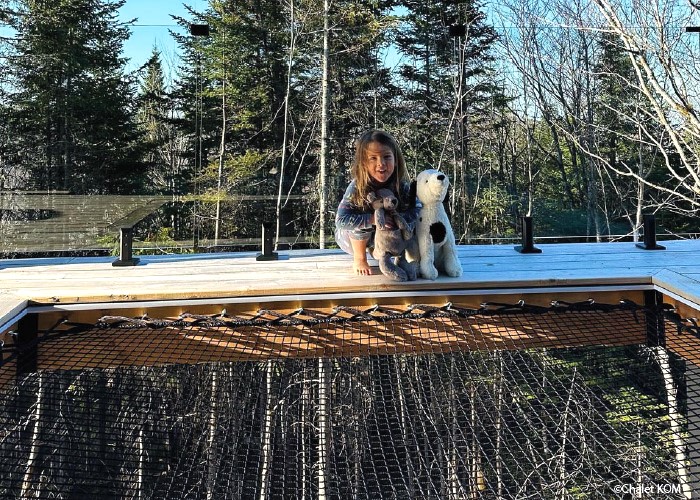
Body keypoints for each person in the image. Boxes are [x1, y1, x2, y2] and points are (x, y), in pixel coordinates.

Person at [335, 129, 420, 275]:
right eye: (373, 158)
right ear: (363, 163)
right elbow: (341, 221)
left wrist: (400, 220)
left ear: (396, 159)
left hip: (384, 239)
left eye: (387, 157)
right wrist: (373, 219)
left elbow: (418, 208)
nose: (381, 163)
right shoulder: (357, 187)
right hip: (350, 240)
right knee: (362, 214)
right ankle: (360, 258)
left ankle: (394, 256)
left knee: (419, 222)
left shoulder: (402, 185)